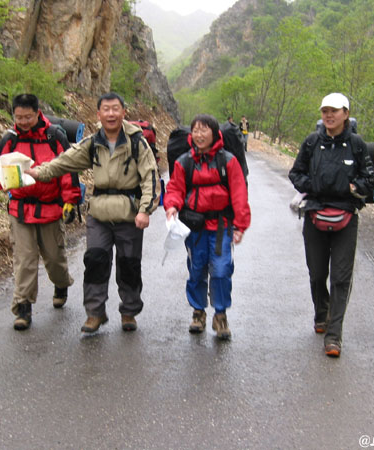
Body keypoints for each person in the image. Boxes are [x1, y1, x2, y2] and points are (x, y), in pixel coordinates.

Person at [25, 92, 160, 333]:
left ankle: (129, 311)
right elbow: (64, 161)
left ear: (123, 112)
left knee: (129, 264)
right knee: (95, 261)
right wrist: (39, 172)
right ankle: (95, 313)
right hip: (98, 213)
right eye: (106, 109)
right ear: (98, 114)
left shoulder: (137, 142)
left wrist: (145, 210)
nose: (111, 114)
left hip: (129, 214)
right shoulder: (93, 142)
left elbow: (150, 176)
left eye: (115, 109)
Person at [0, 94, 81, 331]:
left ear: (37, 113)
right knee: (25, 260)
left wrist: (70, 200)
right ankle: (23, 307)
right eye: (18, 117)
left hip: (51, 208)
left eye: (27, 117)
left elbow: (68, 170)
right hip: (20, 209)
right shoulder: (9, 140)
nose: (22, 122)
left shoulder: (55, 137)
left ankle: (61, 284)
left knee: (54, 259)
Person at [288, 92, 374, 357]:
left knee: (341, 277)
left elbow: (370, 179)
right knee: (317, 274)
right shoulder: (312, 142)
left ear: (345, 114)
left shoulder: (357, 145)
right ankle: (321, 312)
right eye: (325, 110)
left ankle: (334, 335)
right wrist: (315, 186)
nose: (329, 115)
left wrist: (352, 187)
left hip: (346, 216)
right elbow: (296, 173)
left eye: (334, 111)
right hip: (315, 214)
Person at [163, 114, 251, 340]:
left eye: (204, 130)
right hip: (195, 226)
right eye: (196, 130)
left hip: (221, 226)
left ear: (214, 133)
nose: (199, 135)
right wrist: (171, 206)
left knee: (221, 270)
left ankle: (220, 315)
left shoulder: (228, 161)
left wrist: (240, 225)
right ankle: (198, 312)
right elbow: (175, 188)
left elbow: (239, 194)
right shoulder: (184, 162)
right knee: (196, 269)